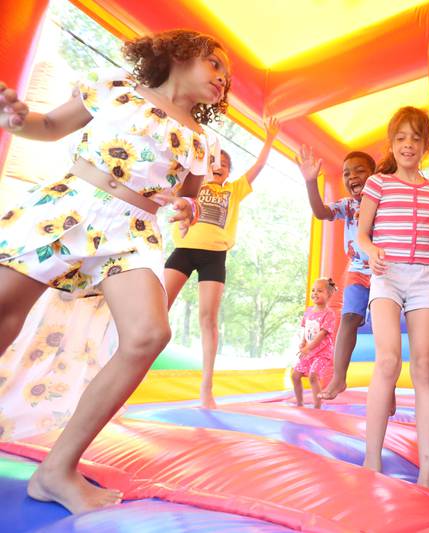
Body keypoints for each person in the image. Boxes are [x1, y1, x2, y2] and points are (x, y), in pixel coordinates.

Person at [0, 29, 230, 513]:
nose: (222, 78)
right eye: (215, 63)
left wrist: (185, 207)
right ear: (178, 54)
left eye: (225, 75)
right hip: (70, 205)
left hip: (133, 231)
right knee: (4, 310)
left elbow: (187, 191)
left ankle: (56, 470)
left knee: (148, 334)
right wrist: (18, 119)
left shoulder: (202, 139)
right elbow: (46, 126)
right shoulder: (115, 88)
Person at [357, 106, 429, 489]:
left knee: (423, 366)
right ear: (391, 142)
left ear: (426, 145)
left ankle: (427, 475)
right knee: (387, 360)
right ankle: (372, 461)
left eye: (416, 138)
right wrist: (372, 252)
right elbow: (362, 234)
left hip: (420, 280)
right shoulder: (378, 184)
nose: (408, 145)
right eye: (401, 138)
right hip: (387, 276)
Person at [164, 114, 279, 409]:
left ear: (228, 173)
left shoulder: (233, 190)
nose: (219, 167)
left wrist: (269, 139)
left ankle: (206, 388)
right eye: (215, 163)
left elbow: (258, 168)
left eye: (225, 165)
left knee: (208, 319)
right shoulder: (195, 185)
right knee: (157, 308)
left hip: (215, 256)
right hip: (184, 249)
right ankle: (130, 377)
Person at [295, 147, 376, 401]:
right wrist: (310, 182)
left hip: (383, 271)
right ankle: (339, 377)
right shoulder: (347, 205)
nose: (352, 176)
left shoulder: (382, 202)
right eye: (346, 173)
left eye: (360, 171)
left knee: (386, 329)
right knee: (349, 318)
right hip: (356, 271)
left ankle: (389, 387)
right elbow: (321, 212)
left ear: (374, 176)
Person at [292, 278, 338, 409]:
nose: (315, 293)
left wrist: (308, 348)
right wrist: (302, 343)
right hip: (308, 351)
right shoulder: (308, 311)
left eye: (319, 291)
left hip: (322, 353)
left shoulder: (329, 314)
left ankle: (317, 406)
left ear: (328, 295)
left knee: (313, 376)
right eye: (313, 290)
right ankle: (299, 403)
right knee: (295, 375)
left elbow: (321, 334)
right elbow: (305, 329)